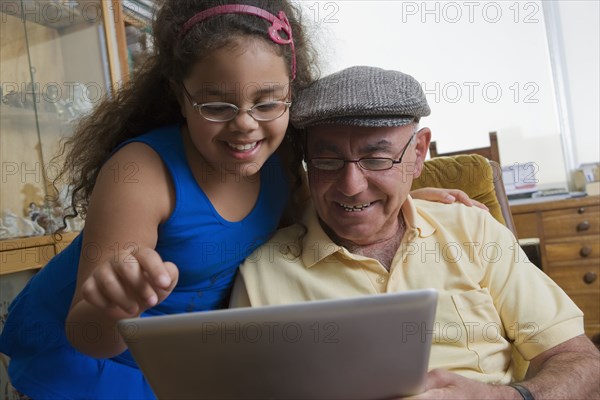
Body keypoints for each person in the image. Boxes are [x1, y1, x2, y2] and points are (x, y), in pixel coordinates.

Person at [0, 3, 475, 398]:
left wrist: (395, 197)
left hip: (190, 360)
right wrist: (112, 306)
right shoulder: (140, 175)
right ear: (180, 96)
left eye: (268, 103)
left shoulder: (281, 158)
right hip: (89, 362)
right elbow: (86, 334)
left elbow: (319, 205)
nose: (245, 124)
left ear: (293, 90)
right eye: (217, 105)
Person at [230, 66, 600, 399]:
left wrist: (504, 398)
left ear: (419, 152)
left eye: (377, 159)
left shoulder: (471, 229)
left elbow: (580, 362)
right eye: (327, 161)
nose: (352, 185)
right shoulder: (264, 273)